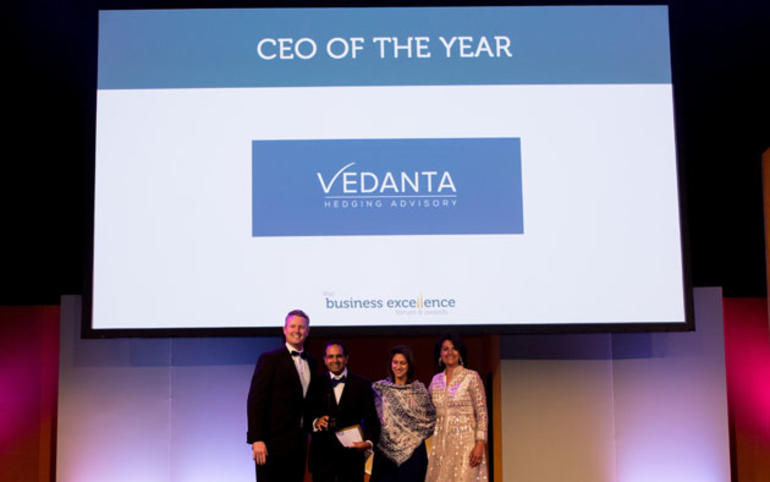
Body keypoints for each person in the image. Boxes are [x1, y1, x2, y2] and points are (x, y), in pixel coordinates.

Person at [246, 309, 315, 482]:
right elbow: (256, 401)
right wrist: (257, 439)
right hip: (271, 444)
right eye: (293, 326)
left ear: (307, 331)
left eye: (301, 327)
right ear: (284, 329)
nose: (297, 331)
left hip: (299, 443)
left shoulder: (312, 361)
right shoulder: (269, 359)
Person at [307, 340, 380, 482]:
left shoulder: (362, 384)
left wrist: (368, 442)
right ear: (325, 360)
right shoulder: (315, 384)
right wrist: (315, 422)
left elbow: (372, 419)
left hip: (351, 459)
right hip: (322, 459)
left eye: (339, 356)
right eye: (331, 356)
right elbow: (305, 414)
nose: (335, 360)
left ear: (346, 358)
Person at [425, 333, 488, 482]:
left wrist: (480, 444)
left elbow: (482, 413)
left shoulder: (471, 377)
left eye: (454, 348)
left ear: (460, 353)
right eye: (445, 349)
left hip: (466, 445)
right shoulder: (435, 380)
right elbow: (427, 413)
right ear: (440, 354)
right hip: (441, 445)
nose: (450, 352)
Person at [370, 345, 436, 482]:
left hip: (413, 454)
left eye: (402, 363)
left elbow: (430, 419)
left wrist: (411, 436)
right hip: (385, 455)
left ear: (409, 366)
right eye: (395, 362)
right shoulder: (379, 389)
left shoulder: (419, 391)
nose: (398, 366)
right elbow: (370, 417)